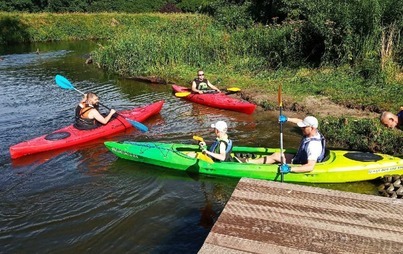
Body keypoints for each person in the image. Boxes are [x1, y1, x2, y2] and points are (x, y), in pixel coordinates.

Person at [247, 116, 326, 173]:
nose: (302, 128)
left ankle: (249, 163)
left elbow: (310, 167)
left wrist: (290, 169)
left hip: (301, 163)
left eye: (304, 127)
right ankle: (252, 162)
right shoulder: (314, 132)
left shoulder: (313, 146)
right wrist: (287, 119)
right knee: (277, 154)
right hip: (300, 157)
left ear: (312, 128)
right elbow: (299, 121)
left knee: (275, 156)